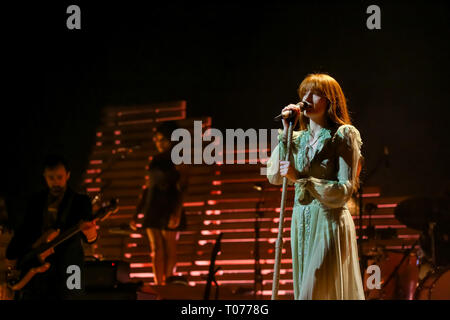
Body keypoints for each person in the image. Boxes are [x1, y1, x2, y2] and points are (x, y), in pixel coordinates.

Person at [266, 73, 365, 299]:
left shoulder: (343, 135)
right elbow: (273, 175)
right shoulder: (296, 138)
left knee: (312, 292)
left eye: (316, 93)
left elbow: (344, 190)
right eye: (304, 93)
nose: (307, 98)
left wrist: (301, 179)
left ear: (332, 100)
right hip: (302, 220)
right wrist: (286, 132)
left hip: (329, 221)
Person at [5, 155, 97, 299]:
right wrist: (12, 255)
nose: (56, 183)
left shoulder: (80, 201)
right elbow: (24, 231)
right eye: (51, 178)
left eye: (59, 177)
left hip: (71, 266)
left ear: (68, 175)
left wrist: (91, 233)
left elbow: (90, 239)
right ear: (45, 177)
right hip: (40, 267)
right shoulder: (36, 201)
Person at [130, 121, 188, 285]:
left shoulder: (178, 158)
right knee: (156, 248)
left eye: (163, 140)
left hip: (169, 204)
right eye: (157, 139)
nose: (159, 143)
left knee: (169, 247)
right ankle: (158, 283)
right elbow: (148, 187)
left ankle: (168, 283)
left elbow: (183, 187)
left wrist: (177, 211)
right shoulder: (155, 160)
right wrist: (137, 213)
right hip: (153, 205)